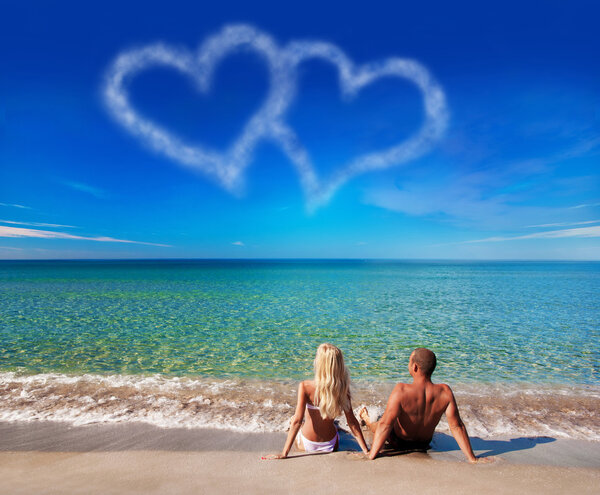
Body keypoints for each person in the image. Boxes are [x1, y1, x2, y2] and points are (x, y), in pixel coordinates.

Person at [360, 347, 491, 463]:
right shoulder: (445, 392)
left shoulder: (401, 390)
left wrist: (372, 455)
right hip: (423, 444)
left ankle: (366, 419)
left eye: (409, 361)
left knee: (379, 422)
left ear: (415, 367)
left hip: (398, 442)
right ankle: (368, 420)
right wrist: (472, 458)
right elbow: (457, 426)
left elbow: (385, 425)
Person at [263, 343, 369, 459]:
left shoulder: (305, 386)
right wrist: (366, 450)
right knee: (334, 423)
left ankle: (333, 426)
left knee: (294, 419)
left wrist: (284, 453)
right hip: (332, 444)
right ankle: (337, 427)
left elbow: (297, 422)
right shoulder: (342, 388)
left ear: (320, 363)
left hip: (307, 444)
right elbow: (352, 422)